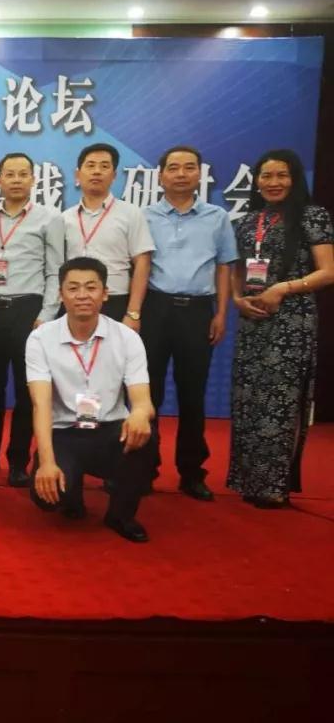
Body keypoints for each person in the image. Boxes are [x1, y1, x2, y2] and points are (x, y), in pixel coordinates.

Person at [228, 149, 334, 509]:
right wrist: (237, 299)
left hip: (292, 321)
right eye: (266, 176)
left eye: (282, 175)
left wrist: (283, 289)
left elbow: (328, 271)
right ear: (256, 181)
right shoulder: (248, 221)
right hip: (253, 318)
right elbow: (238, 270)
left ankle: (273, 485)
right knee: (248, 399)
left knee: (280, 401)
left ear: (294, 179)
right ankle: (248, 479)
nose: (273, 183)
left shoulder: (312, 215)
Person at [26, 257, 155, 543]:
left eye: (91, 287)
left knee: (146, 435)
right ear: (61, 294)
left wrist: (139, 413)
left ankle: (121, 515)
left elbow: (143, 401)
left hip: (110, 431)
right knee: (48, 499)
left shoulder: (127, 337)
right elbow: (41, 404)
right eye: (73, 288)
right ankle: (71, 493)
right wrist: (47, 462)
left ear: (105, 293)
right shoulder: (41, 339)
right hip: (64, 433)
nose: (82, 295)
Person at [141, 146, 237, 501]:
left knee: (192, 395)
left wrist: (221, 313)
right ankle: (143, 468)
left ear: (200, 174)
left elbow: (224, 266)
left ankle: (192, 472)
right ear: (161, 175)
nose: (181, 174)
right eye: (173, 168)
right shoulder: (144, 216)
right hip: (154, 309)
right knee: (147, 392)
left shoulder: (217, 217)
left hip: (198, 311)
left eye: (189, 167)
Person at [0, 152, 64, 487]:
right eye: (10, 174)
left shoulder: (49, 219)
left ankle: (19, 461)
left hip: (29, 311)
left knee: (26, 390)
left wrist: (47, 315)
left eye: (23, 174)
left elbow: (56, 271)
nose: (17, 180)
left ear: (33, 180)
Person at [61, 143, 154, 327]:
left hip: (115, 300)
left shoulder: (131, 214)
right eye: (90, 165)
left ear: (114, 175)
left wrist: (133, 313)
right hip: (74, 301)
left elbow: (142, 263)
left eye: (104, 166)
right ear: (78, 175)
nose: (97, 171)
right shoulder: (65, 218)